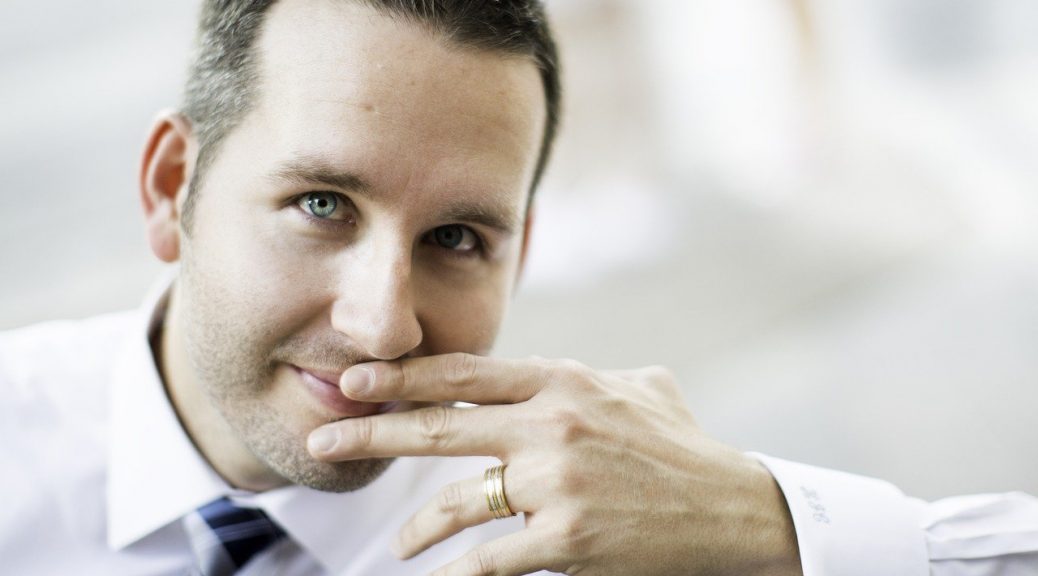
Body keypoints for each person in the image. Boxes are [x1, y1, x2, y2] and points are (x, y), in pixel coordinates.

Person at [1, 0, 1036, 574]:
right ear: (170, 186)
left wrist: (777, 526)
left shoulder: (580, 531)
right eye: (321, 204)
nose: (382, 324)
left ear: (521, 253)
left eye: (457, 237)